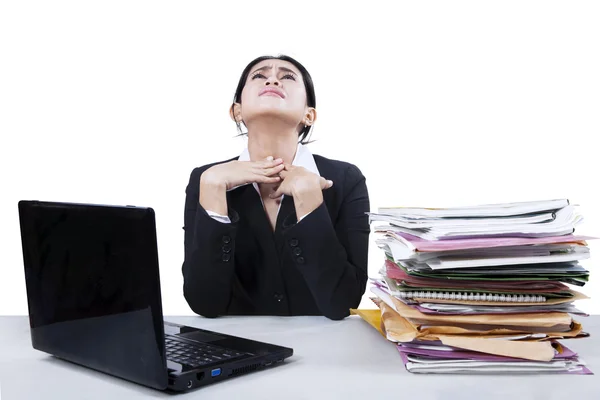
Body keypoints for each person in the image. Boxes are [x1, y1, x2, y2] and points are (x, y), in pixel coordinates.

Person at [182, 55, 370, 320]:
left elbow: (343, 302)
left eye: (288, 77)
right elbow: (205, 303)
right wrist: (213, 192)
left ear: (309, 114)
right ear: (236, 110)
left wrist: (309, 202)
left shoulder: (345, 179)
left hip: (325, 350)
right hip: (239, 351)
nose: (272, 79)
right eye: (259, 76)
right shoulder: (207, 178)